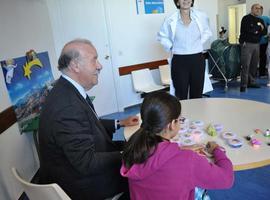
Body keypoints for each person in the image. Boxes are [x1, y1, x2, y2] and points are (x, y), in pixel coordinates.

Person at [38, 39, 139, 200]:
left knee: (136, 145)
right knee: (142, 175)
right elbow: (87, 163)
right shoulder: (67, 107)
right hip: (82, 184)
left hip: (77, 167)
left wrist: (119, 122)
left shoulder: (66, 89)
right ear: (75, 66)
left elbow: (88, 124)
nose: (100, 65)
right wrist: (125, 153)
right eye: (94, 59)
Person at [121, 91, 234, 200]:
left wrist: (179, 150)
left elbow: (155, 159)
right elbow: (227, 179)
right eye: (179, 119)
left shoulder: (133, 146)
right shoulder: (188, 160)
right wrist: (216, 149)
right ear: (171, 124)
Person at [157, 0, 212, 100]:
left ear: (192, 1)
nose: (186, 1)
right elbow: (162, 36)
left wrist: (199, 43)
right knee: (180, 93)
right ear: (177, 3)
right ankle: (181, 115)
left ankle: (196, 114)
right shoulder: (170, 19)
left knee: (197, 93)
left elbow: (207, 31)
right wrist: (171, 47)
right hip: (179, 60)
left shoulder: (201, 16)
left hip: (197, 58)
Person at [239, 3, 267, 92]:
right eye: (256, 8)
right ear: (252, 9)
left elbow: (264, 32)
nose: (258, 10)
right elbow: (249, 30)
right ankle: (243, 85)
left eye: (259, 8)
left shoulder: (260, 20)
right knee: (246, 65)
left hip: (256, 44)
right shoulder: (246, 18)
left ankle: (252, 82)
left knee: (254, 65)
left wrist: (257, 29)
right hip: (246, 44)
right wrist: (259, 28)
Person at [258, 6, 270, 77]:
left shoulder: (266, 18)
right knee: (254, 58)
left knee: (262, 57)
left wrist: (268, 35)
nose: (259, 11)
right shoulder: (251, 19)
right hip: (254, 42)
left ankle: (262, 73)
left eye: (260, 9)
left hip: (263, 42)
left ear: (262, 11)